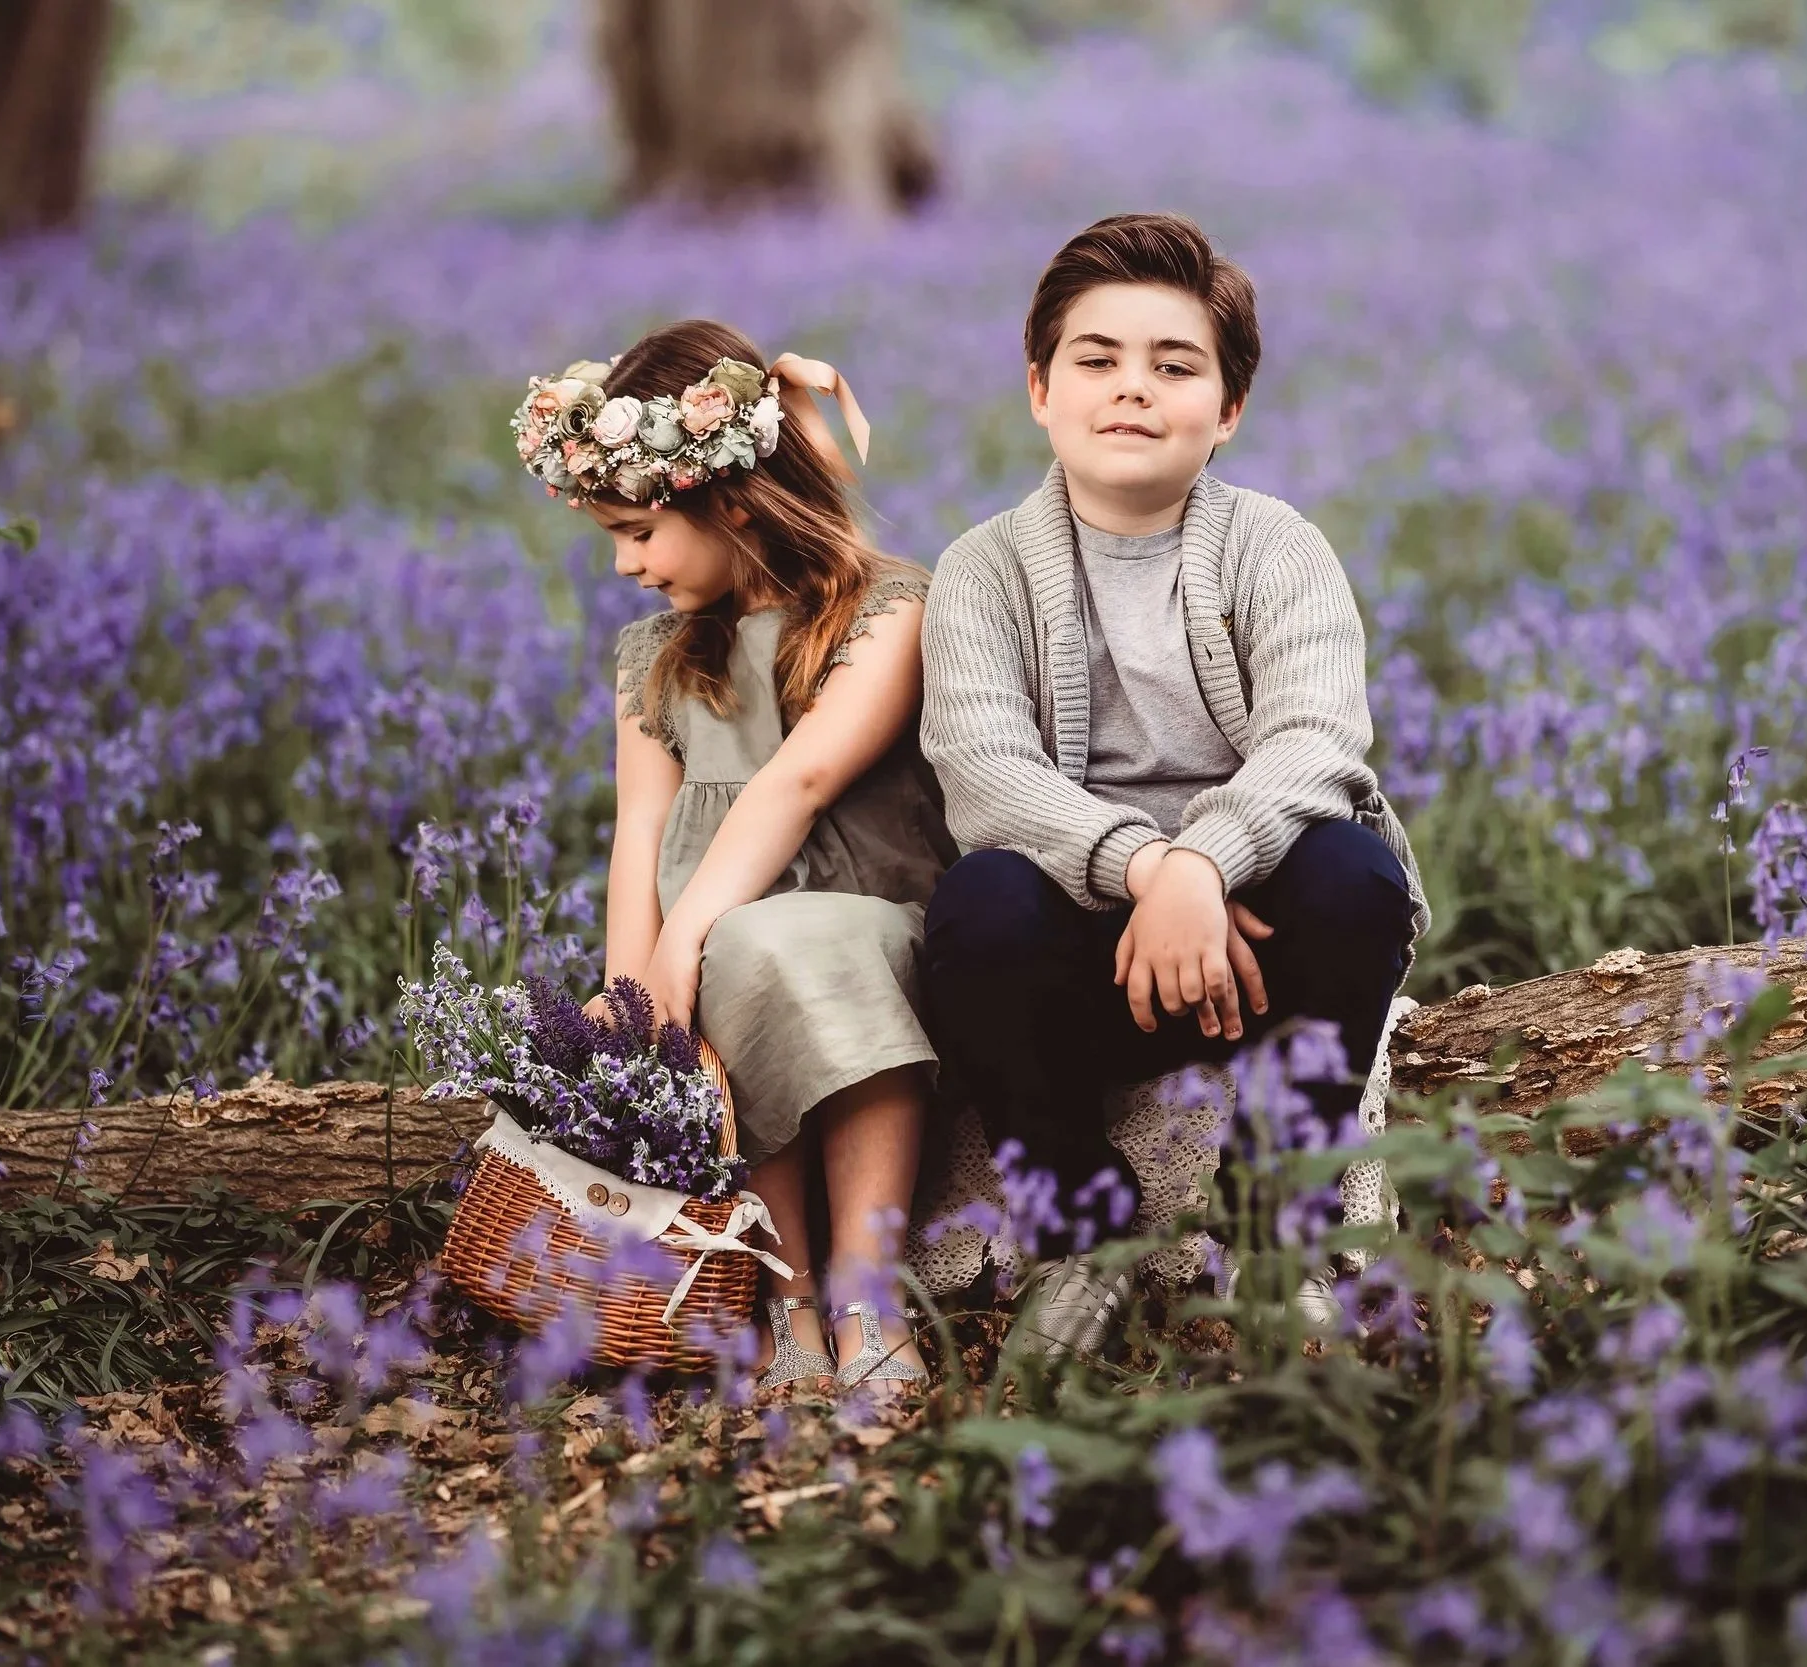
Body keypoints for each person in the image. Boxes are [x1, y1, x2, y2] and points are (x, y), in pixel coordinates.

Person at [918, 213, 1428, 1358]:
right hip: (1081, 951)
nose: (1131, 389)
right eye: (1096, 360)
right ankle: (1080, 1235)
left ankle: (1273, 1223)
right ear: (1040, 388)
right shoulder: (981, 570)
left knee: (1355, 872)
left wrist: (1203, 863)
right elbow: (984, 772)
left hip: (1259, 937)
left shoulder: (1278, 546)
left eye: (1174, 364)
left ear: (1229, 408)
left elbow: (1316, 736)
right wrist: (1150, 873)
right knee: (975, 909)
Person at [520, 320, 956, 1402]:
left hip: (872, 915)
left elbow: (796, 782)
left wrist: (684, 940)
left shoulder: (884, 611)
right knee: (731, 954)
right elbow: (638, 831)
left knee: (751, 942)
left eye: (637, 530)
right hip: (716, 931)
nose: (624, 564)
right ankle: (784, 1292)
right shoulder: (655, 659)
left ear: (732, 496)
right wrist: (633, 993)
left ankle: (867, 1292)